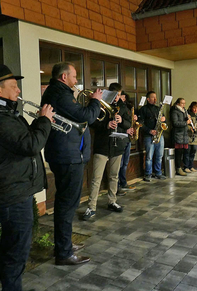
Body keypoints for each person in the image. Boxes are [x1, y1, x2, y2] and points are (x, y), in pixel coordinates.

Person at [0, 64, 54, 291]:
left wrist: (37, 124)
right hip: (12, 194)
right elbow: (30, 145)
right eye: (14, 87)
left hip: (14, 190)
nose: (19, 92)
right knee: (16, 251)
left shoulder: (2, 115)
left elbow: (20, 142)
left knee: (15, 247)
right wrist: (44, 121)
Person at [41, 62, 102, 265]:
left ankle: (64, 245)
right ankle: (64, 253)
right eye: (74, 76)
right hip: (67, 157)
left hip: (67, 155)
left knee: (66, 204)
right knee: (67, 205)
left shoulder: (58, 92)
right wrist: (95, 101)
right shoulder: (60, 93)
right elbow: (87, 117)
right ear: (64, 77)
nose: (77, 81)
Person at [83, 83, 130, 221]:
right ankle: (91, 207)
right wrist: (106, 125)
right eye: (115, 95)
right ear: (110, 94)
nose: (117, 98)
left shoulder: (123, 107)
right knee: (96, 178)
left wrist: (121, 121)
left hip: (117, 146)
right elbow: (91, 122)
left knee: (114, 176)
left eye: (119, 95)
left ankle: (112, 201)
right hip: (102, 146)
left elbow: (128, 124)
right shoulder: (101, 104)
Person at [138, 91, 167, 181]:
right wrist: (150, 131)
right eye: (153, 98)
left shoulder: (158, 109)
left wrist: (163, 119)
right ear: (148, 99)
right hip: (148, 135)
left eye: (156, 97)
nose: (155, 99)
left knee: (159, 155)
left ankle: (158, 172)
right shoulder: (143, 109)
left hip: (159, 134)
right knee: (149, 156)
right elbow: (140, 124)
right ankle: (148, 174)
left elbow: (163, 120)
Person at [117, 92, 136, 194]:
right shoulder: (118, 108)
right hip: (121, 138)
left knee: (125, 163)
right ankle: (118, 185)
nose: (121, 98)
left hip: (127, 138)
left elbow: (127, 122)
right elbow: (117, 124)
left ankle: (124, 182)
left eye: (122, 96)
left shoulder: (127, 108)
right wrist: (126, 130)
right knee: (119, 164)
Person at [170, 98, 191, 176]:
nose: (183, 105)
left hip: (184, 134)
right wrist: (186, 123)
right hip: (178, 134)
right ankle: (178, 168)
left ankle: (181, 167)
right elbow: (175, 123)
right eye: (182, 103)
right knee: (178, 152)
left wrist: (188, 119)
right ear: (178, 104)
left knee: (183, 151)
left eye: (184, 103)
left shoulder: (184, 111)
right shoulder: (175, 111)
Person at [184, 101, 197, 172]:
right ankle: (186, 167)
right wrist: (190, 128)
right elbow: (185, 124)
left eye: (196, 108)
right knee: (187, 152)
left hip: (196, 136)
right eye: (194, 108)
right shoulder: (187, 114)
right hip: (189, 136)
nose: (195, 110)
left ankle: (191, 166)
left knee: (193, 152)